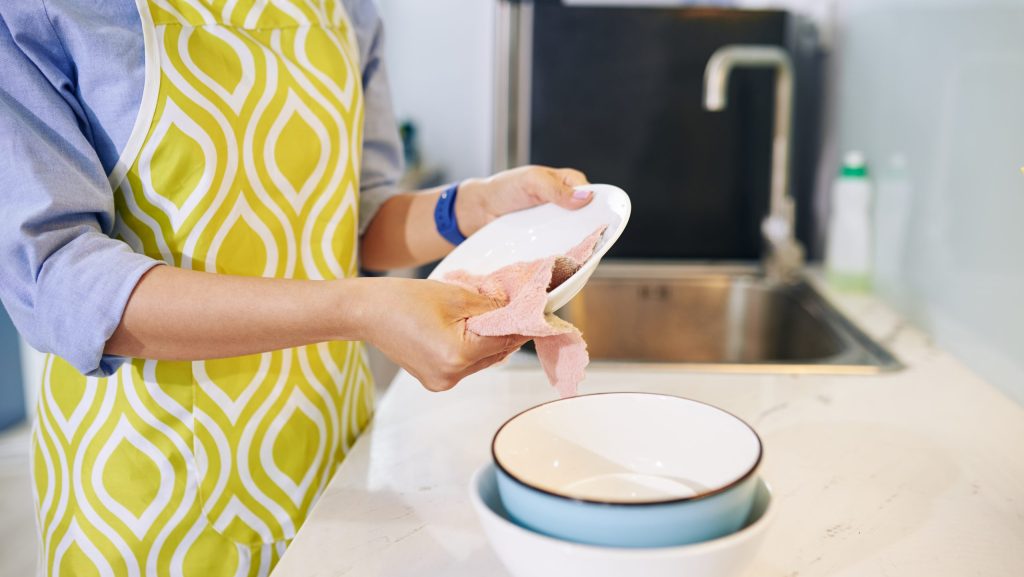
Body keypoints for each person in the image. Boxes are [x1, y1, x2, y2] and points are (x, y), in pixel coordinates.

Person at [0, 1, 591, 575]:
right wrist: (357, 308)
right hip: (151, 481)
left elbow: (357, 217)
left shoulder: (348, 10)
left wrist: (475, 204)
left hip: (330, 448)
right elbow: (58, 280)